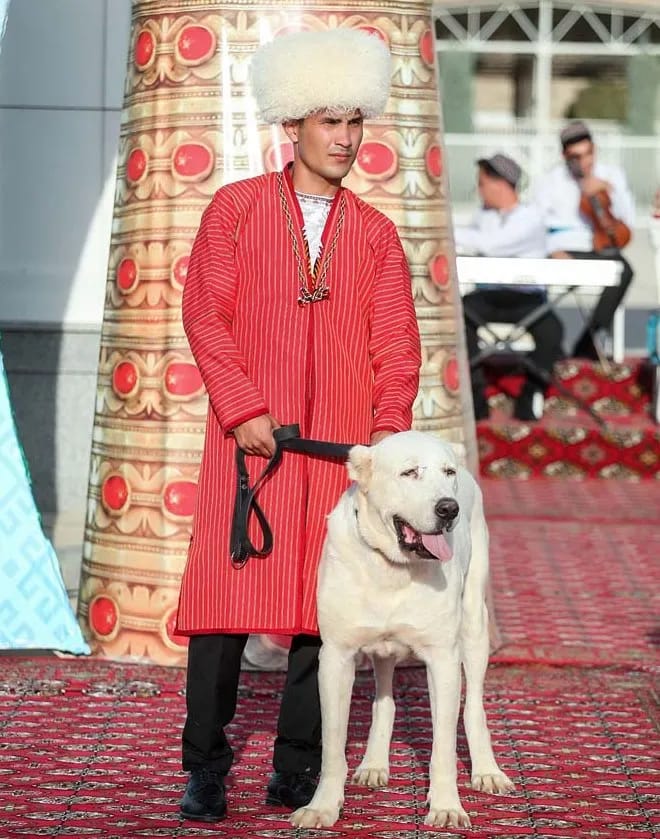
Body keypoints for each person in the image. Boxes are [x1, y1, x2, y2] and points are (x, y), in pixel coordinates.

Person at [176, 28, 422, 823]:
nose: (345, 138)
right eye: (328, 121)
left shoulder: (378, 235)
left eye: (355, 122)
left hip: (342, 454)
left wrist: (384, 443)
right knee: (221, 609)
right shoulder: (236, 209)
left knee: (324, 611)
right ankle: (204, 766)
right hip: (250, 446)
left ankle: (297, 764)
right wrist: (242, 407)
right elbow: (204, 316)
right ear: (292, 125)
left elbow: (398, 345)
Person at [455, 153, 564, 421]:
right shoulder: (484, 216)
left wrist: (446, 230)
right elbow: (475, 240)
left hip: (525, 299)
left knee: (552, 330)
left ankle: (531, 394)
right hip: (489, 296)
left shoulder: (530, 217)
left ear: (499, 183)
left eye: (481, 183)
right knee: (458, 319)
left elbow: (493, 244)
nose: (479, 191)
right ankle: (476, 394)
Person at [535, 120, 635, 359]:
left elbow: (627, 221)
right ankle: (547, 346)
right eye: (576, 156)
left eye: (588, 153)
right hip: (564, 249)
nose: (584, 162)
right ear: (564, 156)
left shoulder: (611, 175)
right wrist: (553, 249)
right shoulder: (550, 182)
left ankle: (589, 341)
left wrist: (610, 191)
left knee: (625, 270)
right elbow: (536, 225)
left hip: (598, 247)